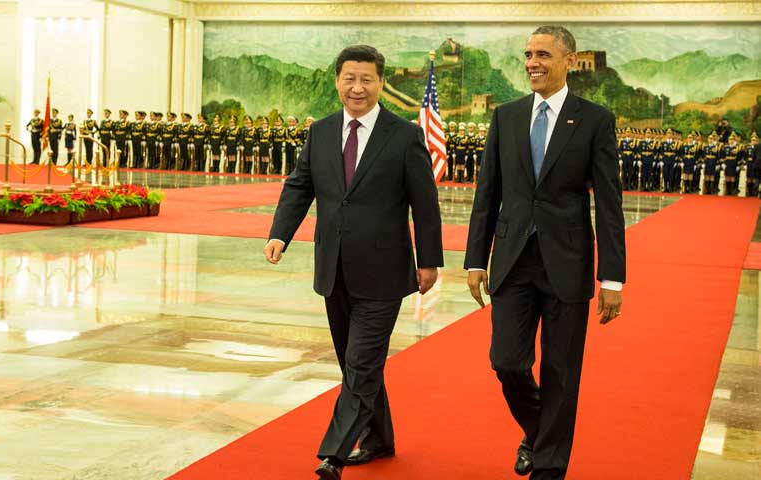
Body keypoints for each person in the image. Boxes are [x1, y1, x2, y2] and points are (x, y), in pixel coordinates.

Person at [264, 45, 443, 480]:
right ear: (337, 81)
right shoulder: (321, 132)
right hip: (334, 268)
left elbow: (425, 203)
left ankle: (335, 453)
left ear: (381, 82)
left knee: (361, 363)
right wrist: (279, 233)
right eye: (349, 78)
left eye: (366, 79)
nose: (357, 87)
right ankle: (380, 437)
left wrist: (429, 261)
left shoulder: (404, 136)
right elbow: (299, 186)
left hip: (384, 272)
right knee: (354, 362)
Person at [464, 26, 625, 480]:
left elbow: (609, 203)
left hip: (567, 264)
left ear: (569, 61)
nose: (533, 62)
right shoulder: (507, 116)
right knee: (507, 361)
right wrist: (476, 259)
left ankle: (549, 466)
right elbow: (487, 192)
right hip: (512, 260)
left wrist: (612, 278)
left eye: (543, 55)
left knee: (561, 370)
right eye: (528, 55)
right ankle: (538, 433)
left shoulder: (594, 120)